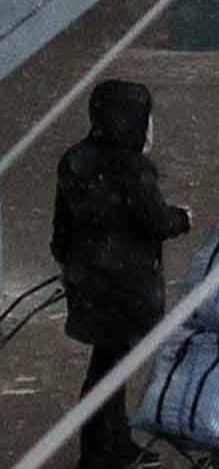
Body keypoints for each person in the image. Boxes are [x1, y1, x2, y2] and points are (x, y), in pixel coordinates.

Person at [52, 79, 191, 469]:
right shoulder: (133, 168)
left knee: (109, 363)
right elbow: (155, 221)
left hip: (88, 284)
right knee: (109, 370)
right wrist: (182, 219)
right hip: (126, 290)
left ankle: (114, 444)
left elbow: (61, 228)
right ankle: (100, 452)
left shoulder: (75, 159)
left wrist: (69, 264)